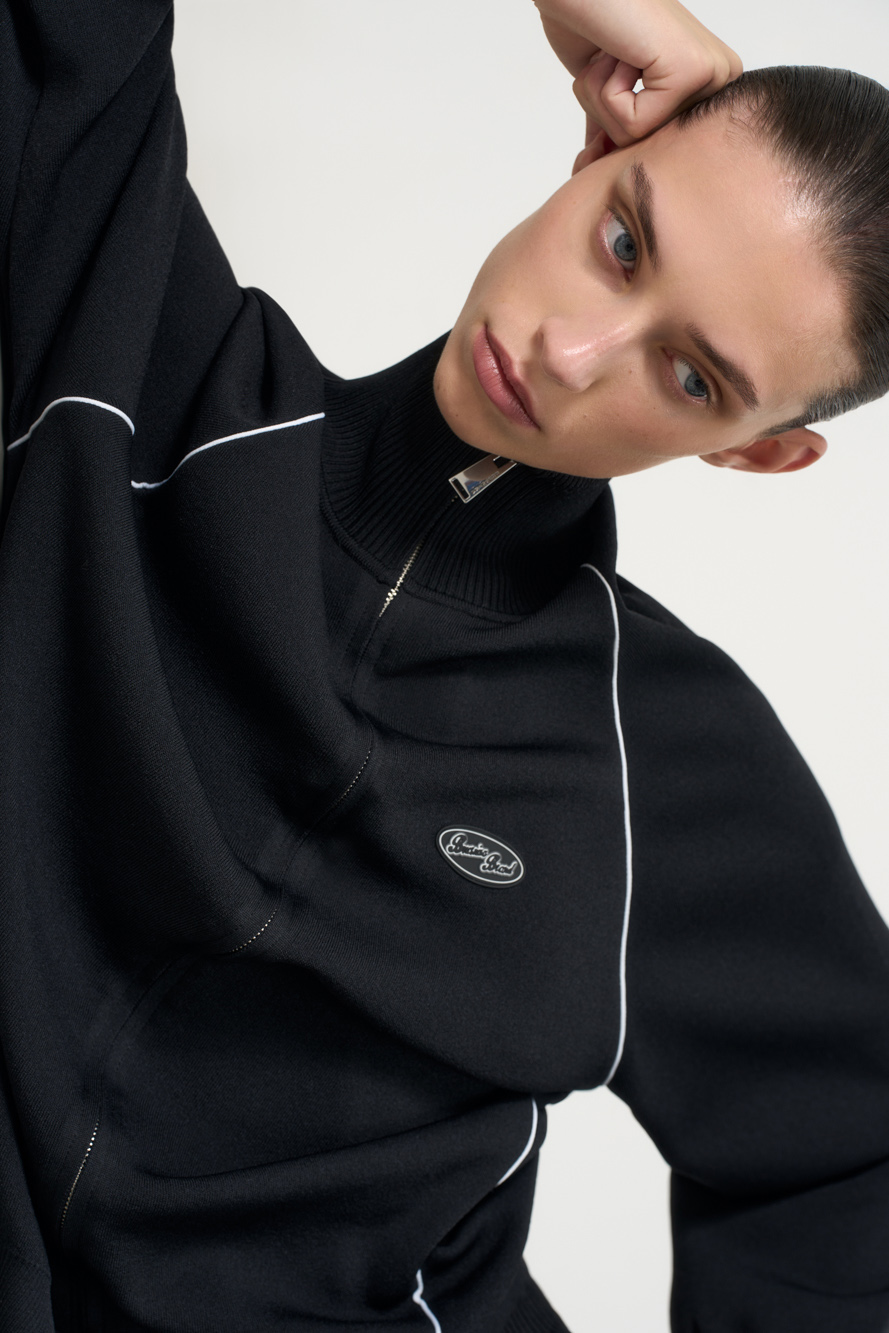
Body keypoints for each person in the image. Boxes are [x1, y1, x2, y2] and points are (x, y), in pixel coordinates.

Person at [0, 2, 887, 1332]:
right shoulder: (142, 372)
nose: (571, 355)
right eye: (623, 242)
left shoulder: (660, 766)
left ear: (757, 449)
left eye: (693, 377)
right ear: (596, 155)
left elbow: (851, 1168)